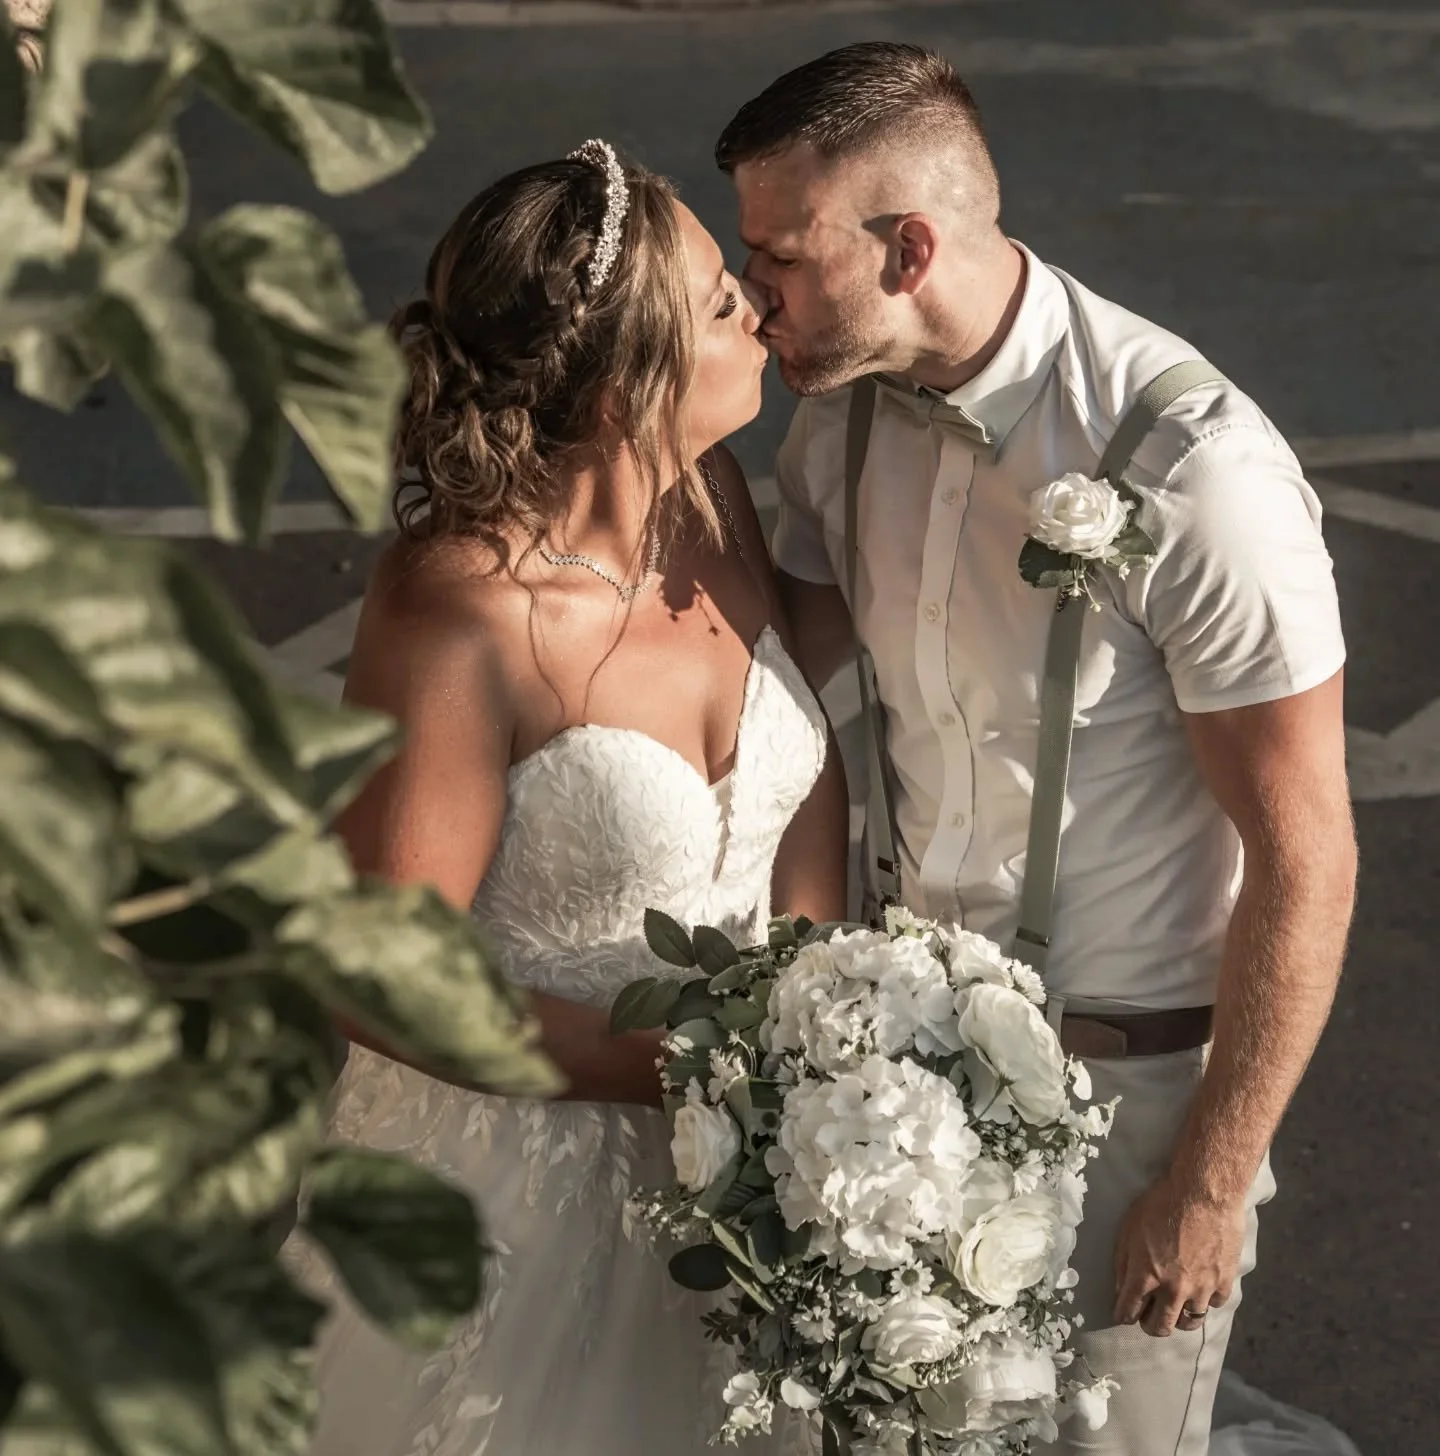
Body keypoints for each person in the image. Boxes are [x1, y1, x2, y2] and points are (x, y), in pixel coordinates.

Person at [716, 44, 1357, 1456]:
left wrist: (1208, 1178)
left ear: (910, 247)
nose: (748, 290)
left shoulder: (1193, 472)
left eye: (780, 254)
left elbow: (1308, 856)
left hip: (1136, 1091)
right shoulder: (835, 420)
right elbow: (800, 704)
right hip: (896, 1083)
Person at [294, 140, 847, 1456]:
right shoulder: (459, 611)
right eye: (721, 303)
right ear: (624, 390)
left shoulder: (711, 505)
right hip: (520, 1197)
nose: (758, 309)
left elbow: (800, 802)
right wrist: (685, 1073)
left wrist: (829, 1024)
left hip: (761, 1176)